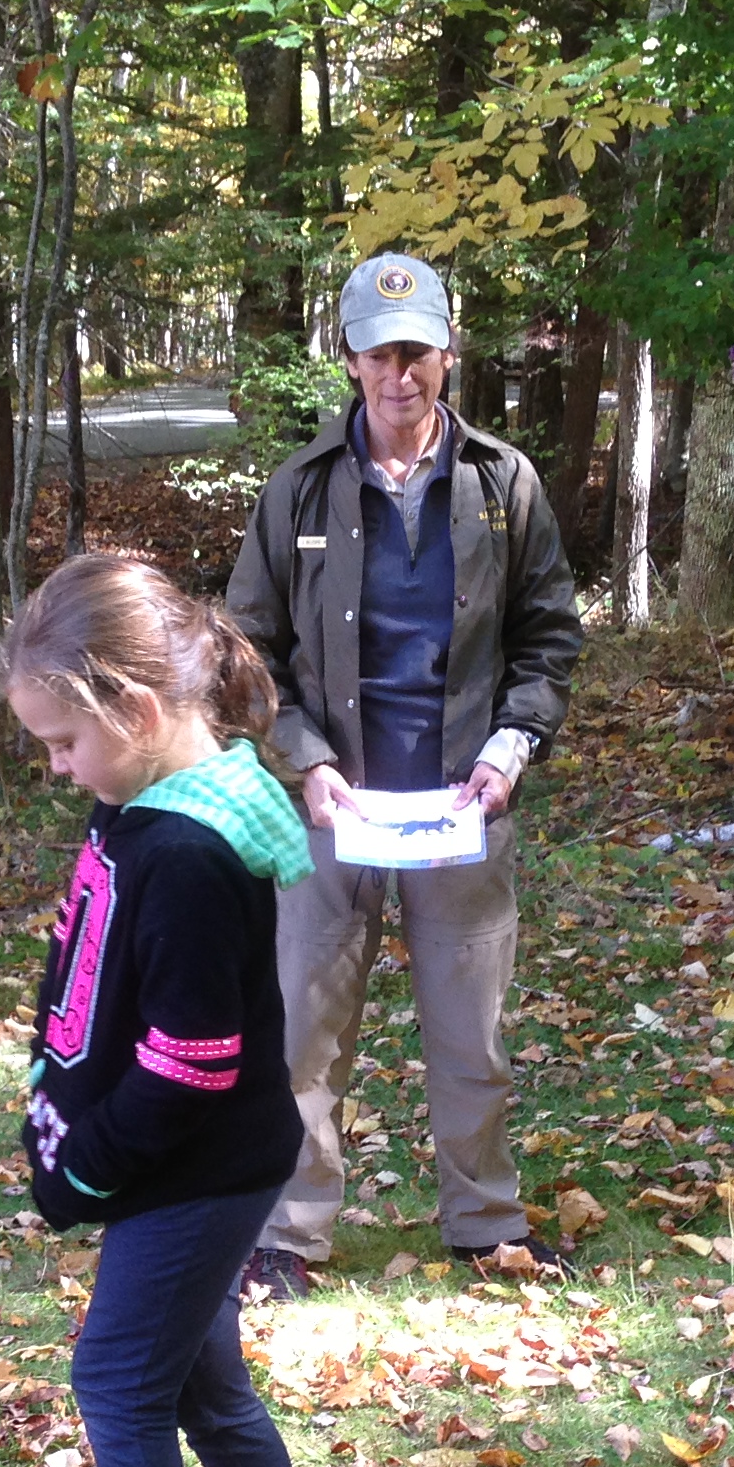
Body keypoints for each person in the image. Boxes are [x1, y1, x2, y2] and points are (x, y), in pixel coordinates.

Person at [0, 552, 362, 1467]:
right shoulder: (140, 807)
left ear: (139, 712)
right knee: (200, 1382)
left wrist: (91, 1157)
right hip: (188, 1160)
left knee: (117, 1376)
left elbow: (192, 1060)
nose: (57, 769)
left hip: (192, 1171)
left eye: (62, 742)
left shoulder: (190, 851)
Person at [225, 251, 584, 1300]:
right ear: (349, 358)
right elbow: (248, 652)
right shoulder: (297, 489)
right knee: (300, 1031)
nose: (401, 375)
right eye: (381, 355)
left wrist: (511, 750)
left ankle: (484, 1224)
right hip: (331, 809)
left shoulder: (502, 484)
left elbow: (549, 637)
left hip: (459, 807)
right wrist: (307, 763)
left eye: (418, 352)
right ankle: (286, 1238)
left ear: (447, 356)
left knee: (471, 1031)